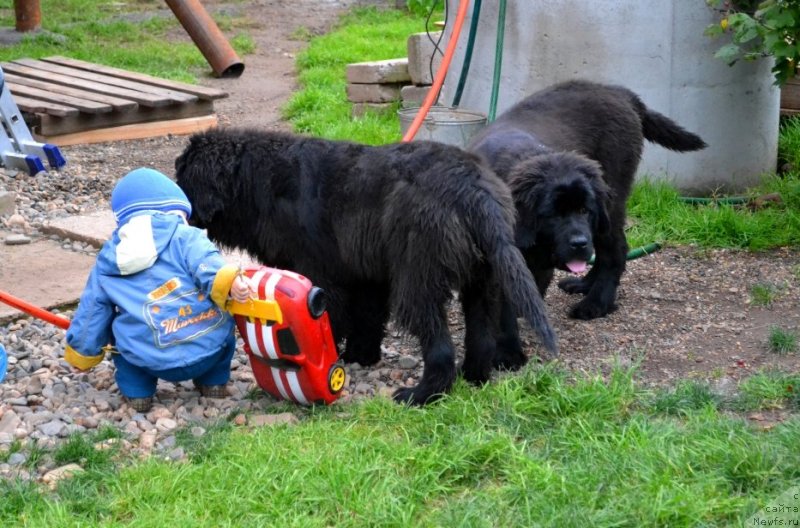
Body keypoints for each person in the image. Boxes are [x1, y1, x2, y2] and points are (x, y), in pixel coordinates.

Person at [64, 167, 252, 412]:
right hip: (207, 350)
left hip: (147, 359)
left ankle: (138, 394)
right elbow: (212, 269)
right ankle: (213, 383)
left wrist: (82, 352)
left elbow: (93, 311)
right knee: (224, 323)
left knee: (120, 339)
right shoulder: (187, 236)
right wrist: (232, 282)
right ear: (176, 209)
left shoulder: (109, 258)